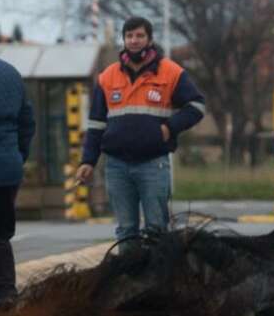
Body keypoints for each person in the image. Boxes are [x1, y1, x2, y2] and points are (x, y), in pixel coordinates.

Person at [76, 16, 205, 243]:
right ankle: (129, 277)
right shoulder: (107, 77)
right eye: (129, 36)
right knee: (126, 231)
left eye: (139, 36)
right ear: (123, 40)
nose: (134, 40)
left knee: (156, 228)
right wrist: (88, 161)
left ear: (149, 39)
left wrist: (169, 128)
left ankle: (158, 277)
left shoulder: (170, 72)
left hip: (153, 164)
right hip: (116, 166)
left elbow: (196, 106)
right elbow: (96, 124)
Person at [0, 50, 35, 313]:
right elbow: (27, 122)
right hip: (2, 172)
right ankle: (4, 298)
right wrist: (15, 157)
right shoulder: (8, 73)